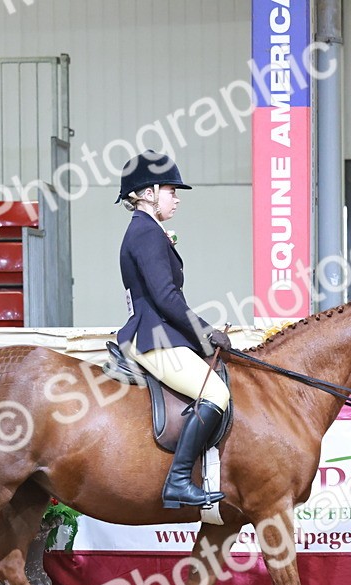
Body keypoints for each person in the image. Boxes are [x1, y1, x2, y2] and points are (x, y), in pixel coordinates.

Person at [115, 151, 232, 509]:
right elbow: (166, 297)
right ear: (148, 192)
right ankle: (179, 480)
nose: (177, 199)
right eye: (171, 190)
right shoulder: (146, 232)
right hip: (152, 336)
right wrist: (206, 331)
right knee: (216, 394)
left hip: (159, 331)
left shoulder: (147, 230)